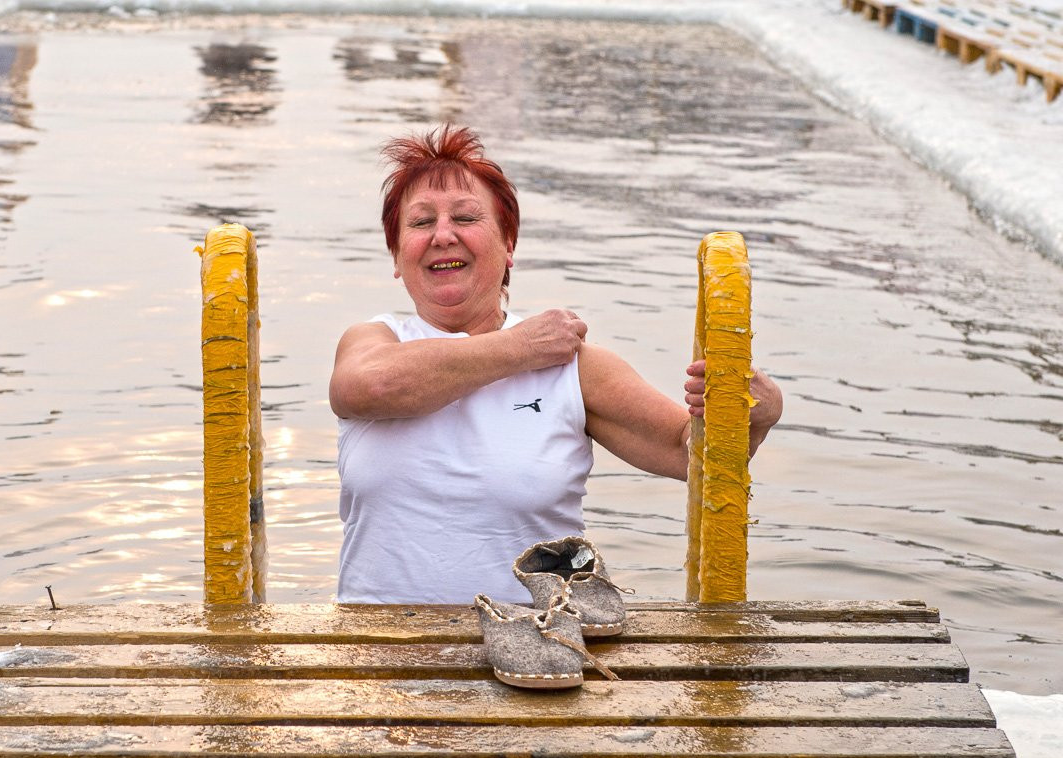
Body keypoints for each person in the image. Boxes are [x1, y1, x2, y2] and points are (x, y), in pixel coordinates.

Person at [330, 125, 782, 604]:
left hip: (537, 653)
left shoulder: (573, 367)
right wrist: (519, 348)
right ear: (397, 257)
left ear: (508, 246)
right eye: (420, 223)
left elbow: (685, 451)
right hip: (376, 653)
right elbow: (367, 388)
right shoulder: (375, 341)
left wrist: (751, 414)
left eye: (465, 217)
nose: (443, 235)